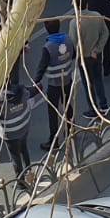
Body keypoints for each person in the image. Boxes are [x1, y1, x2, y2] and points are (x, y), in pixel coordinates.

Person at [33, 18, 74, 149]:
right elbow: (73, 55)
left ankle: (53, 140)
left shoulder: (48, 47)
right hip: (67, 78)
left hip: (54, 83)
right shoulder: (68, 39)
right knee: (67, 105)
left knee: (53, 111)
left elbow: (42, 66)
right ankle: (70, 131)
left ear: (46, 29)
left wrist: (36, 81)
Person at [0, 79, 34, 181]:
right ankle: (30, 174)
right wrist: (39, 85)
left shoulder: (0, 102)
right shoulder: (22, 91)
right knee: (24, 150)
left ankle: (21, 182)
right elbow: (35, 91)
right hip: (23, 128)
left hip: (10, 134)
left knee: (15, 158)